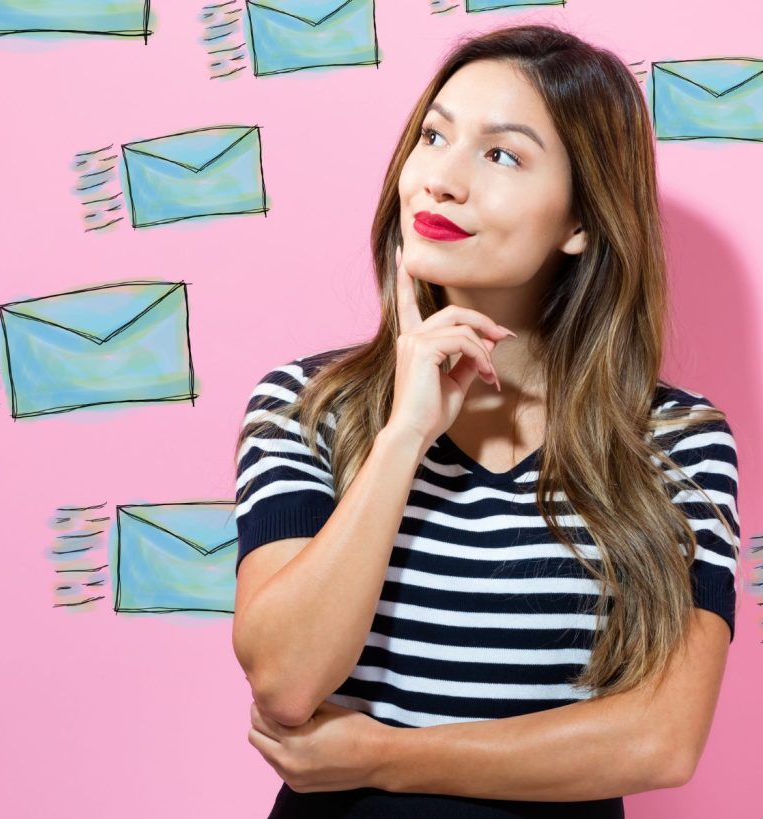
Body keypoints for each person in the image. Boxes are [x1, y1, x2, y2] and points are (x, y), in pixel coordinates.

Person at [229, 22, 740, 819]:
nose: (439, 179)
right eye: (434, 136)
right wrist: (404, 433)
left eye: (501, 154)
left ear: (580, 222)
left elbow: (660, 740)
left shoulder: (675, 440)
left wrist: (385, 756)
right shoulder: (308, 406)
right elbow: (286, 680)